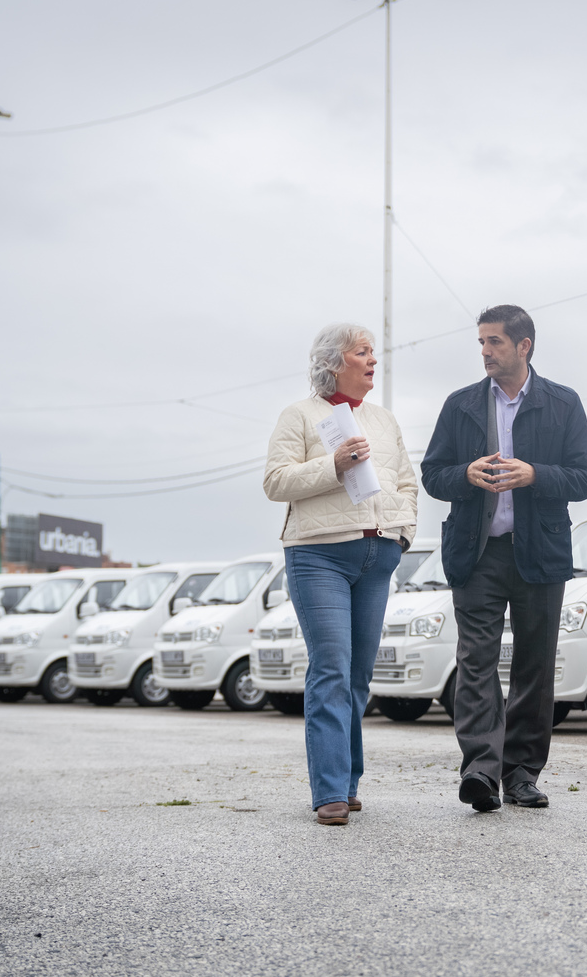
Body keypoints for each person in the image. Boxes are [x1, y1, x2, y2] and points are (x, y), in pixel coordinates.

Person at [421, 305, 587, 812]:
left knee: (534, 665)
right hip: (476, 555)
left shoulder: (563, 403)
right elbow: (433, 474)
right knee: (475, 662)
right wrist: (465, 474)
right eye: (481, 342)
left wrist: (535, 474)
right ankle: (481, 770)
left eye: (494, 341)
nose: (484, 351)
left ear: (524, 346)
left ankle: (521, 774)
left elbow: (586, 478)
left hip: (539, 552)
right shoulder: (459, 405)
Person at [263, 323, 418, 826]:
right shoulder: (299, 415)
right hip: (319, 556)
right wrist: (333, 464)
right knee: (331, 668)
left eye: (373, 352)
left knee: (358, 676)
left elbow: (407, 483)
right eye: (362, 352)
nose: (373, 359)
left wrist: (402, 535)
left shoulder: (384, 420)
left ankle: (348, 783)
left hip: (378, 558)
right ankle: (329, 791)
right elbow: (275, 482)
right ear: (334, 362)